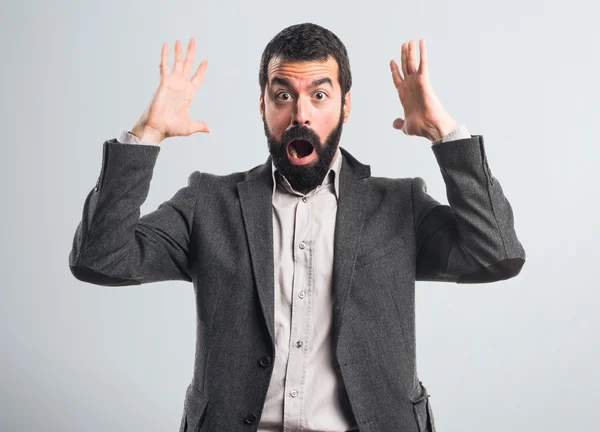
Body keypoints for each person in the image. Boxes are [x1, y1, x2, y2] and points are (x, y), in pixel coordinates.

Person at [68, 23, 525, 432]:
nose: (300, 115)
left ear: (346, 106)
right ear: (263, 104)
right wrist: (147, 133)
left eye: (319, 95)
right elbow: (99, 258)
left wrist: (445, 134)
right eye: (283, 94)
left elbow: (496, 254)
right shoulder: (209, 204)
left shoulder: (398, 206)